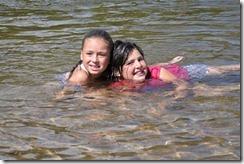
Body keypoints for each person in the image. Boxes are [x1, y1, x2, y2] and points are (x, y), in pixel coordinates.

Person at [109, 40, 240, 92]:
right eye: (130, 63)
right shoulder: (117, 84)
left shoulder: (156, 71)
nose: (138, 65)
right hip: (172, 69)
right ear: (117, 72)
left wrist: (170, 99)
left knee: (225, 70)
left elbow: (182, 84)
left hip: (191, 72)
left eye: (140, 59)